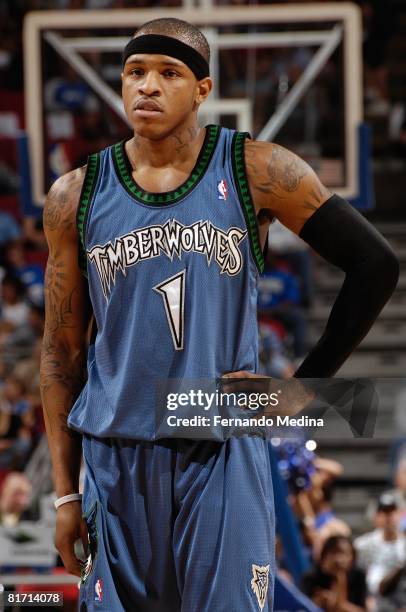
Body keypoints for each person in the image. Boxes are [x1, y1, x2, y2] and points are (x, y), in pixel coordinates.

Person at [39, 17, 399, 612]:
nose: (147, 86)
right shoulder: (75, 194)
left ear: (203, 89)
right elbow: (60, 354)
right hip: (114, 456)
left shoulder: (256, 168)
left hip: (219, 447)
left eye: (167, 73)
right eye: (135, 72)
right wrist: (63, 497)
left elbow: (374, 264)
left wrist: (305, 389)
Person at [302, 535, 367, 611]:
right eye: (333, 553)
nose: (338, 559)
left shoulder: (358, 577)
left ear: (352, 557)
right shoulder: (311, 578)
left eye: (343, 553)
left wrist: (339, 603)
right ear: (324, 556)